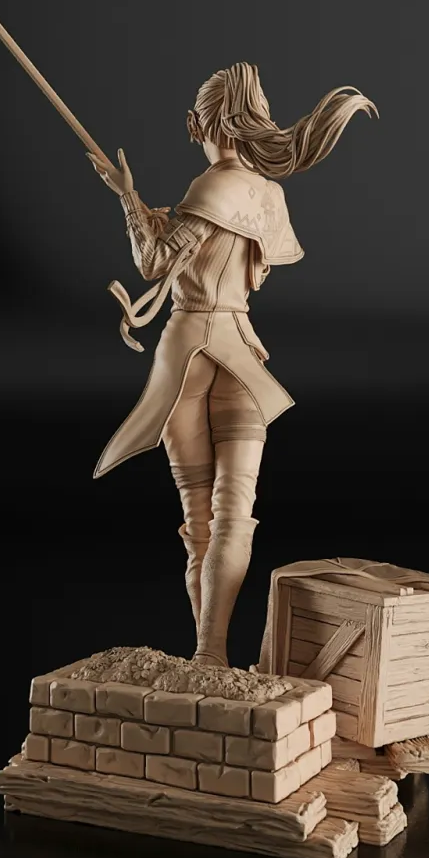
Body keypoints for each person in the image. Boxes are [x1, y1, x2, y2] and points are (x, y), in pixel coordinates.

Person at [87, 62, 377, 667]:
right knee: (234, 513)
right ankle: (210, 655)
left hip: (190, 353)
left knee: (201, 518)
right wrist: (149, 206)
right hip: (241, 352)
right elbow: (212, 246)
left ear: (199, 124)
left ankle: (210, 654)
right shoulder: (268, 195)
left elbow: (156, 262)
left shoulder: (210, 186)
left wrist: (126, 199)